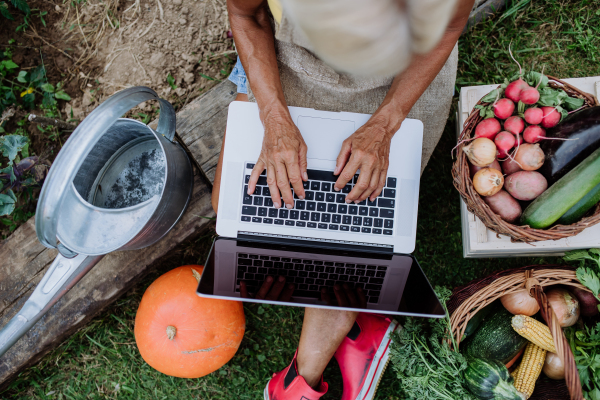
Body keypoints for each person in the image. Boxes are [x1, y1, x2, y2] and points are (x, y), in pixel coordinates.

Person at [211, 0, 474, 398]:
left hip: (401, 80)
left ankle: (308, 369)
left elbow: (446, 31)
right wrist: (275, 117)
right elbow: (249, 15)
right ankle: (357, 326)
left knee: (355, 232)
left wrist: (385, 125)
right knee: (237, 213)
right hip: (292, 64)